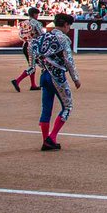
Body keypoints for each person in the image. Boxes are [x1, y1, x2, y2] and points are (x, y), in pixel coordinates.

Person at [32, 13, 81, 151]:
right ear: (65, 25)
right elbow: (69, 61)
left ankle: (45, 141)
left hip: (44, 76)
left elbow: (35, 55)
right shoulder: (63, 39)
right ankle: (52, 137)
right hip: (57, 76)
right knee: (67, 106)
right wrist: (75, 78)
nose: (69, 29)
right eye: (69, 26)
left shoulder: (43, 37)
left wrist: (44, 66)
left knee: (46, 109)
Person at [11, 7, 45, 92]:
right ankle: (17, 81)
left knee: (31, 66)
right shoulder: (36, 23)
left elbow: (20, 35)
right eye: (37, 14)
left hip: (25, 45)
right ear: (34, 14)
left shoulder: (23, 23)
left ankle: (33, 85)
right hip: (34, 46)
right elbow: (42, 35)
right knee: (41, 66)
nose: (38, 16)